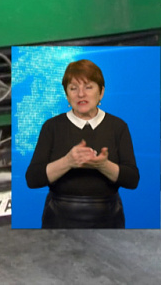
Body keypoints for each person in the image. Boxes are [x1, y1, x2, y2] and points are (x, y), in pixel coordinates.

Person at [25, 59, 139, 228]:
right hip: (59, 218)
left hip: (108, 218)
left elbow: (132, 180)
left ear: (101, 92)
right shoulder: (52, 127)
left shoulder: (118, 126)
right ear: (67, 95)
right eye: (73, 88)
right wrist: (68, 162)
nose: (81, 94)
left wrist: (103, 165)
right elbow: (32, 179)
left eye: (88, 87)